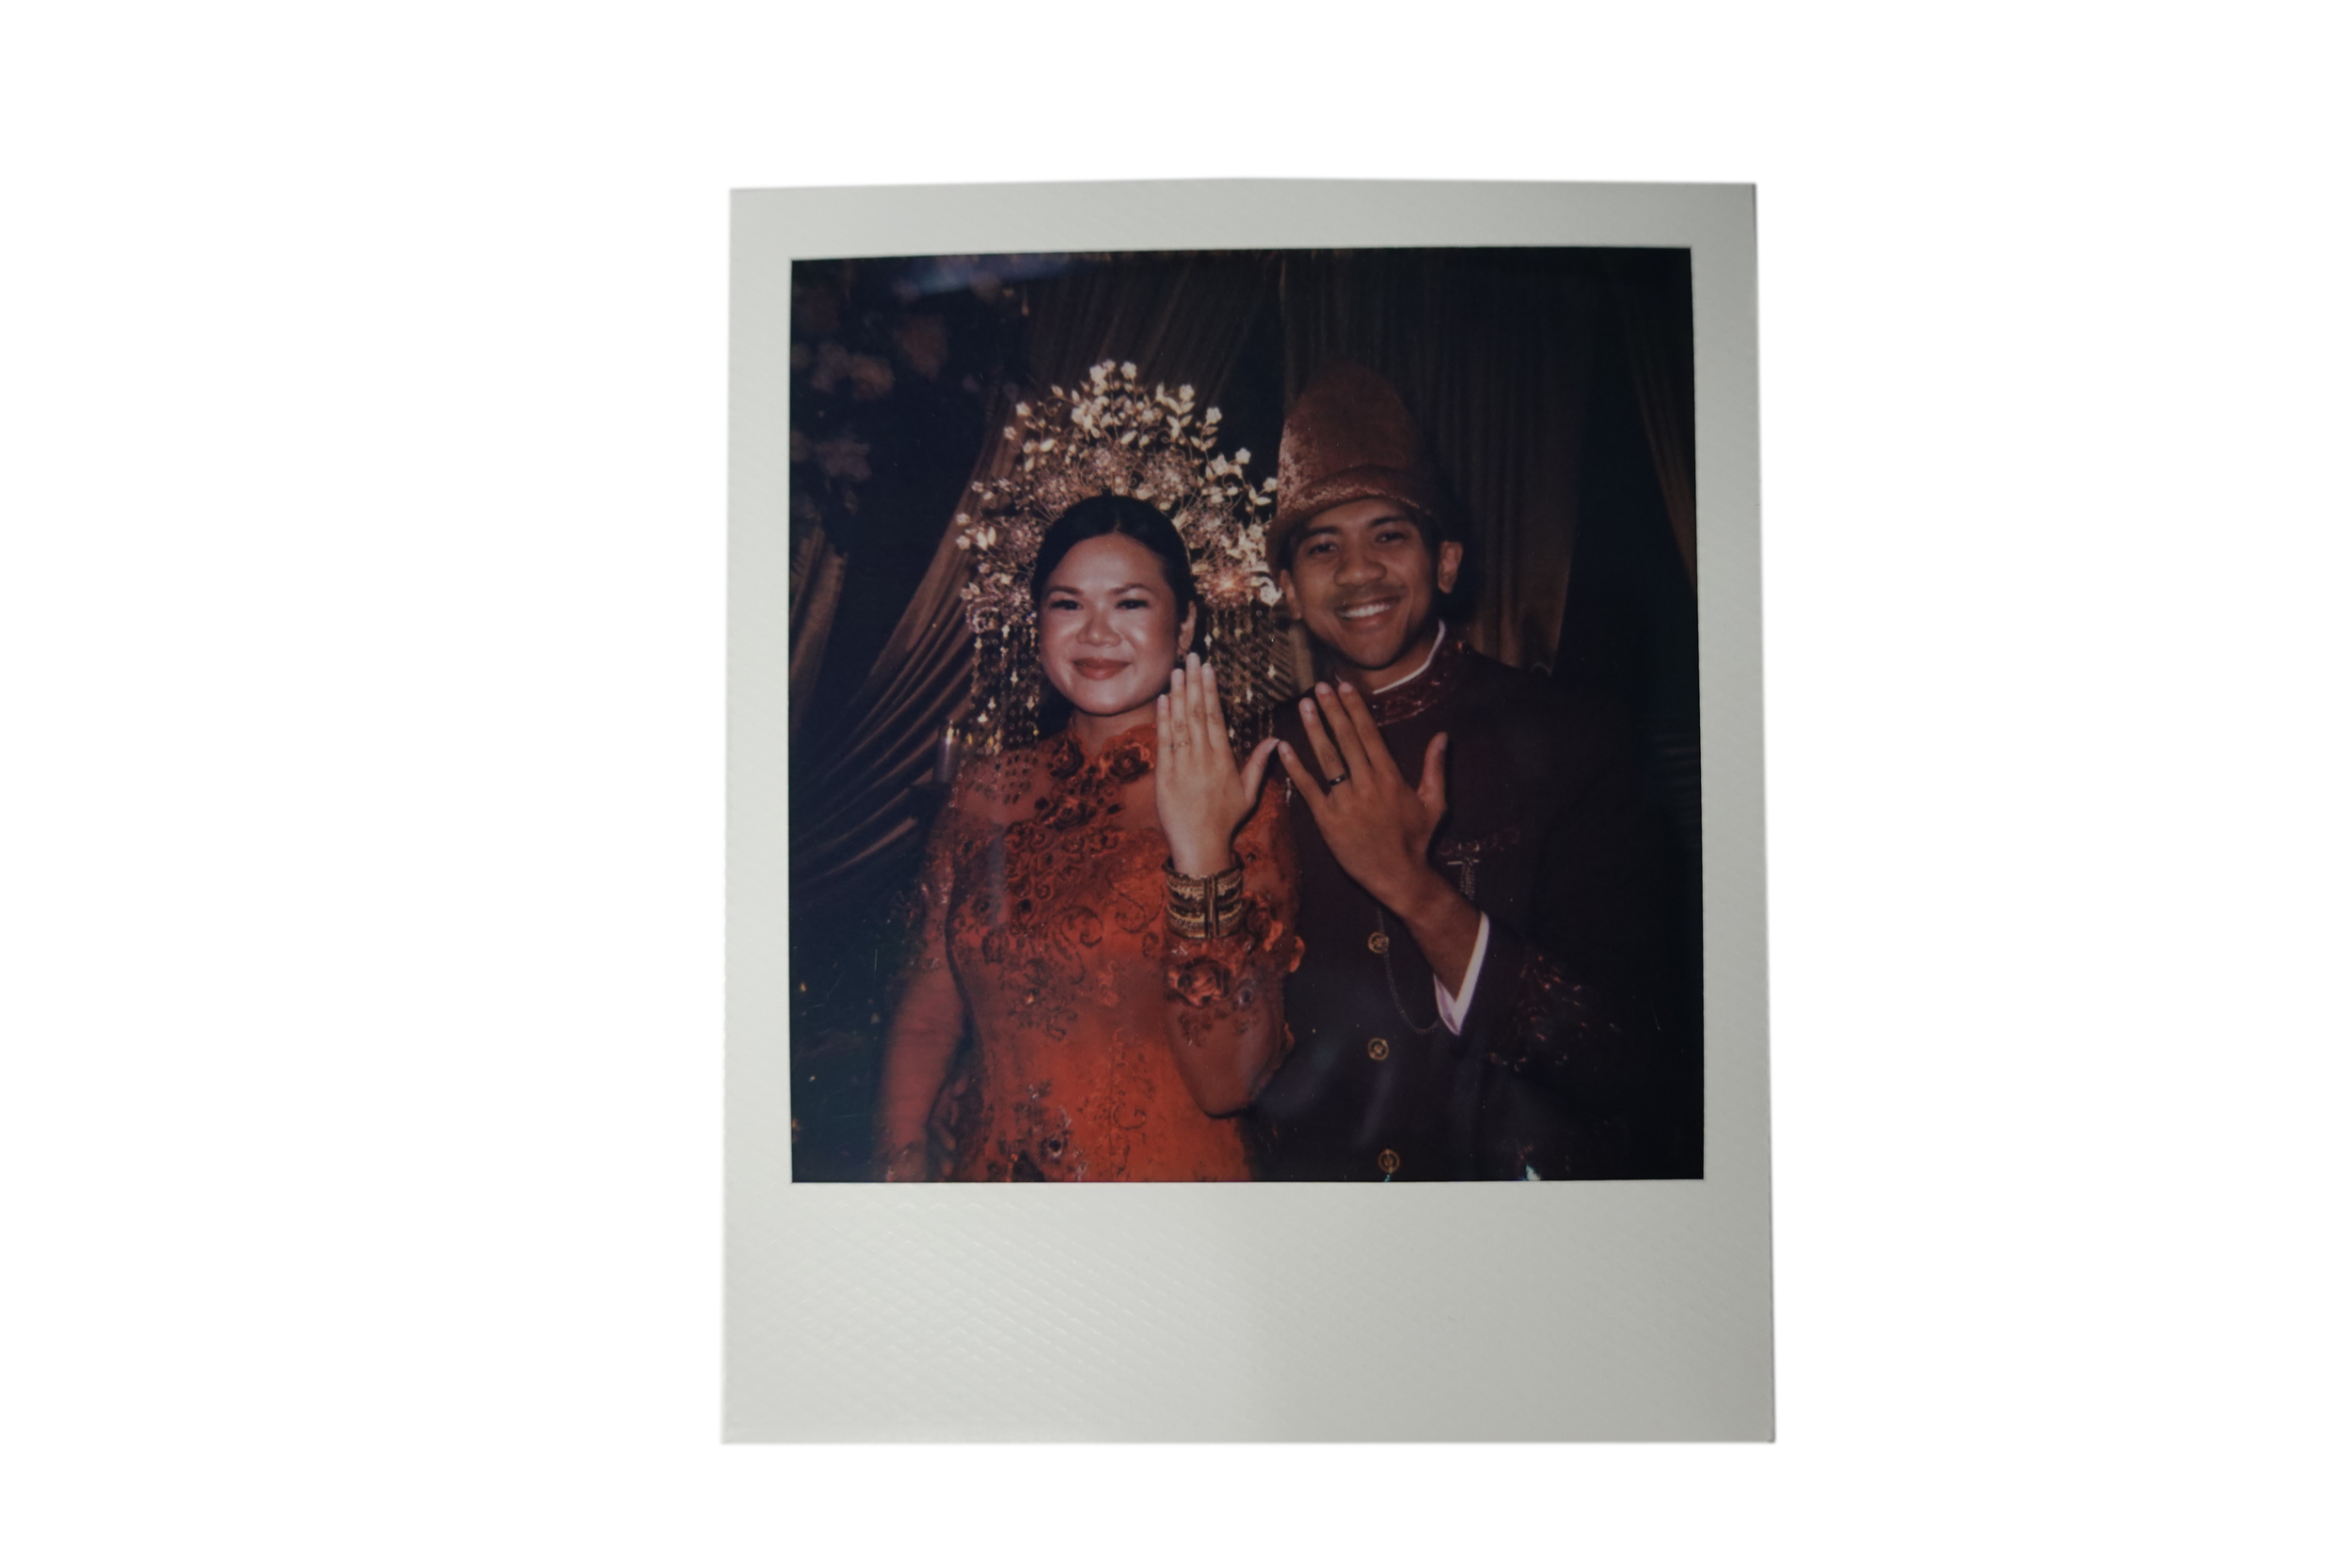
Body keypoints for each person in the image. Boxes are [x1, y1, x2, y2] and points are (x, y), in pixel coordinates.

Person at [1246, 363, 1680, 1180]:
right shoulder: (1255, 757)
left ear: (1446, 562)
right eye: (1323, 546)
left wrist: (1412, 887)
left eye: (1389, 535)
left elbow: (1624, 1055)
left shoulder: (1570, 737)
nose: (1358, 571)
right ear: (1289, 592)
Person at [873, 493, 1298, 1181]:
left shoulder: (1237, 796)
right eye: (1068, 604)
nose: (1097, 633)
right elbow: (925, 1016)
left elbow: (1231, 1084)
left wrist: (1201, 856)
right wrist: (898, 1172)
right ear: (1037, 622)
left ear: (1184, 624)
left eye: (1131, 603)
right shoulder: (984, 791)